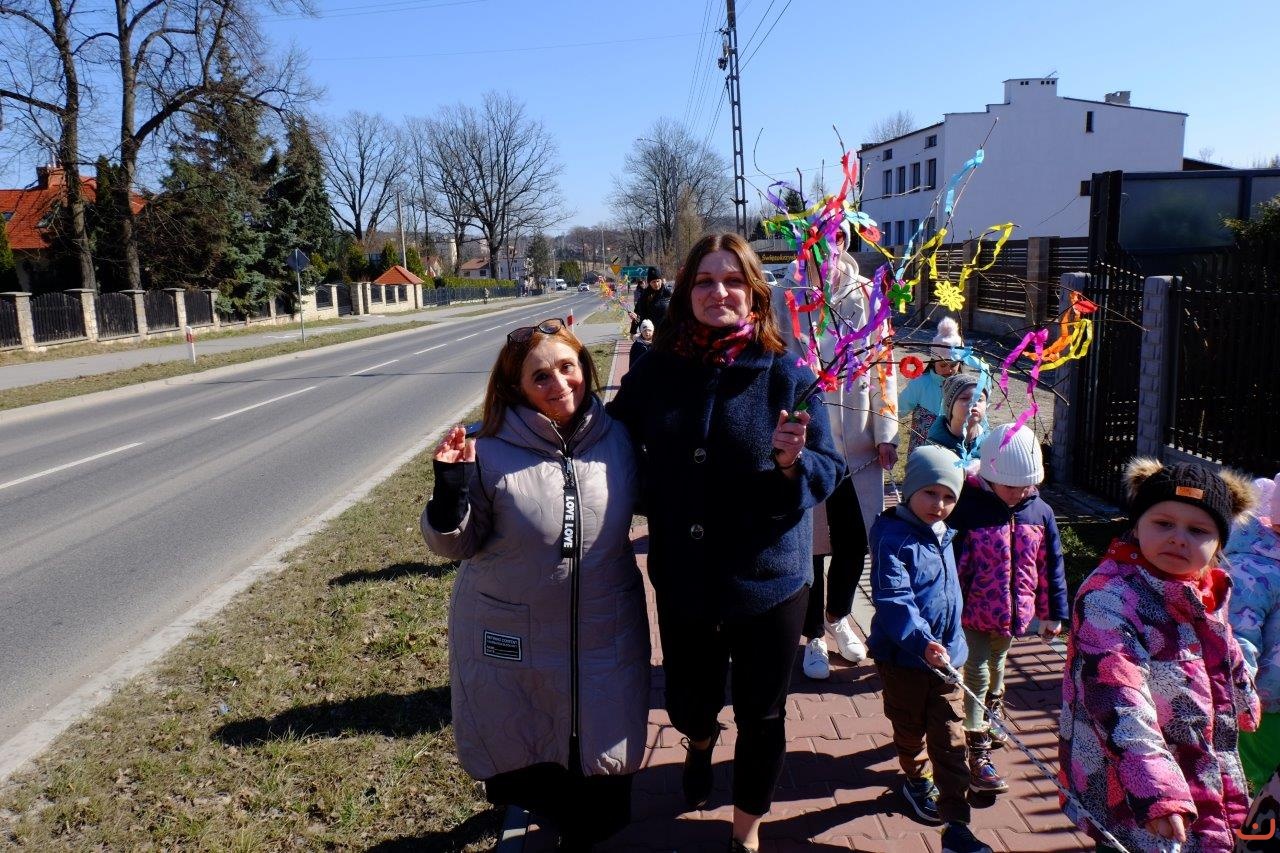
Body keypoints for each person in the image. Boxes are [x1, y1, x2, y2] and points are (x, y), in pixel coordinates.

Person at [607, 232, 843, 853]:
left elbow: (830, 466)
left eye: (733, 281)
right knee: (690, 700)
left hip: (769, 580)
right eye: (705, 281)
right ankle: (700, 741)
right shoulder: (656, 369)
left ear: (755, 295)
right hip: (685, 576)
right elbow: (609, 440)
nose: (719, 292)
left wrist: (793, 465)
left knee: (763, 713)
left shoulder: (788, 373)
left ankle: (746, 830)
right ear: (686, 292)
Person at [420, 317, 650, 850]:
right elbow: (454, 544)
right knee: (533, 765)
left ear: (585, 367)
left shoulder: (619, 439)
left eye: (567, 367)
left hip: (606, 630)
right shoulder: (486, 447)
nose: (559, 384)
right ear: (516, 387)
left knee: (604, 787)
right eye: (540, 376)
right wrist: (450, 488)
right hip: (515, 637)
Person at [1060, 458, 1261, 853]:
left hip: (1195, 758)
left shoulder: (1204, 587)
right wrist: (1155, 790)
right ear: (1136, 526)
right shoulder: (1109, 598)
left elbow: (1222, 646)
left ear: (1220, 544)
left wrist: (1243, 694)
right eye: (1163, 523)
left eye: (1198, 530)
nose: (1178, 539)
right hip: (1130, 781)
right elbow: (1117, 695)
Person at [778, 220, 898, 681]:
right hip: (805, 440)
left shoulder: (867, 294)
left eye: (833, 238)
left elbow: (884, 364)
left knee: (855, 538)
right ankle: (812, 634)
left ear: (844, 241)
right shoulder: (784, 295)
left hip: (858, 440)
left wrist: (886, 432)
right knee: (808, 543)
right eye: (813, 239)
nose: (823, 248)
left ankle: (838, 615)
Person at [867, 445, 994, 853]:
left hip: (947, 662)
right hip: (903, 661)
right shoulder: (892, 539)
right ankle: (916, 778)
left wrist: (950, 646)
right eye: (930, 493)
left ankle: (956, 824)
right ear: (910, 491)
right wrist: (922, 642)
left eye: (949, 497)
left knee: (951, 738)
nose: (939, 505)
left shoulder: (944, 534)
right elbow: (894, 600)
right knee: (909, 728)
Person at [949, 423, 1068, 795]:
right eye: (1008, 486)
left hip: (1013, 615)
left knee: (998, 663)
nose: (1017, 493)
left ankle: (992, 711)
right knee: (977, 670)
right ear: (988, 476)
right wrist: (946, 611)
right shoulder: (967, 509)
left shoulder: (1040, 512)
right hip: (972, 612)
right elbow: (950, 565)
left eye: (1024, 486)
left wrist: (1052, 612)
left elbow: (1051, 565)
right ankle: (976, 743)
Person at [1226, 472, 1280, 792]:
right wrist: (1241, 694)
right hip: (1267, 703)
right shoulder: (1252, 571)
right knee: (1268, 781)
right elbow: (1238, 637)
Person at [898, 317, 965, 455]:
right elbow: (898, 409)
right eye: (943, 365)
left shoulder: (964, 387)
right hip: (922, 451)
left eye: (953, 365)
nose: (948, 370)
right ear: (933, 361)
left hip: (952, 452)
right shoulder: (920, 383)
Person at [927, 373, 987, 462]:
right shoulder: (934, 447)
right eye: (965, 398)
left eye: (979, 399)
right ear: (949, 406)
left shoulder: (990, 442)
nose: (974, 403)